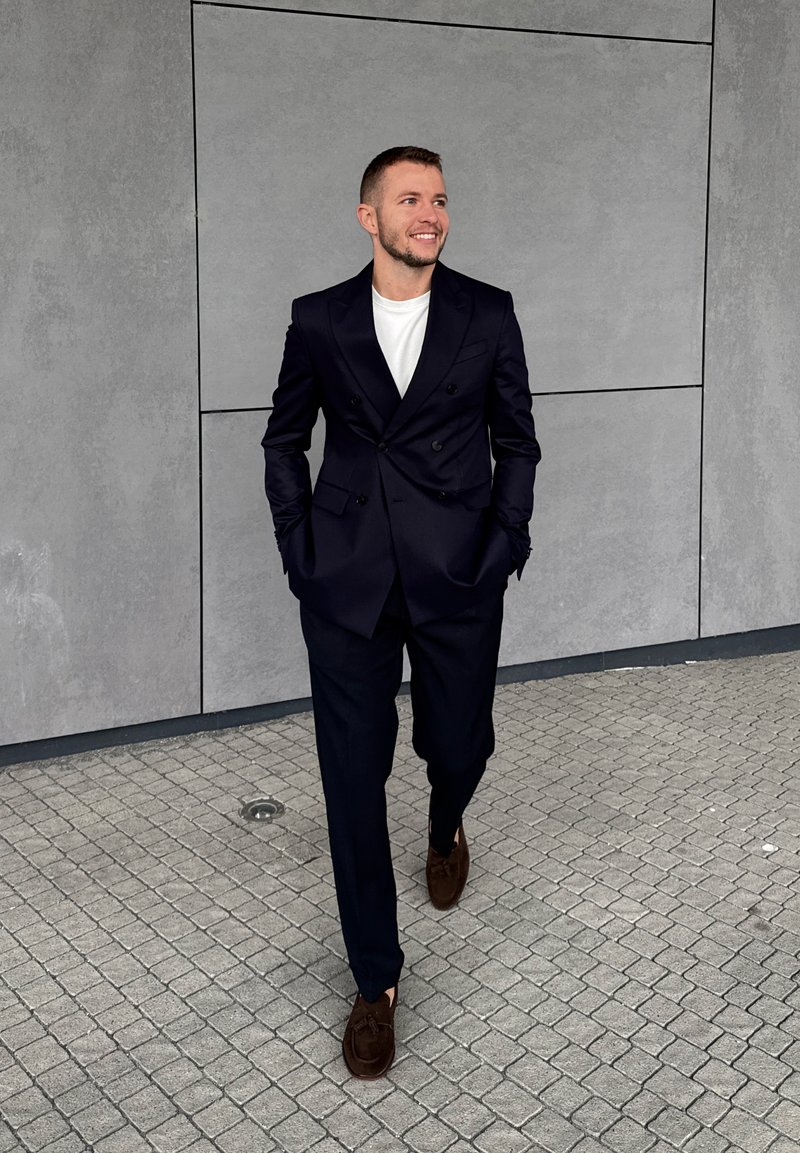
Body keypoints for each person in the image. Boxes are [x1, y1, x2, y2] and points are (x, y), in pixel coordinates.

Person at [262, 145, 540, 1079]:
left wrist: (502, 545)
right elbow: (283, 439)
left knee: (459, 744)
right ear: (368, 216)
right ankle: (375, 979)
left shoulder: (487, 312)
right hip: (346, 583)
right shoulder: (320, 319)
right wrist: (301, 554)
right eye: (410, 199)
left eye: (441, 200)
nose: (431, 214)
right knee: (350, 780)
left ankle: (447, 819)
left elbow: (519, 441)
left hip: (458, 571)